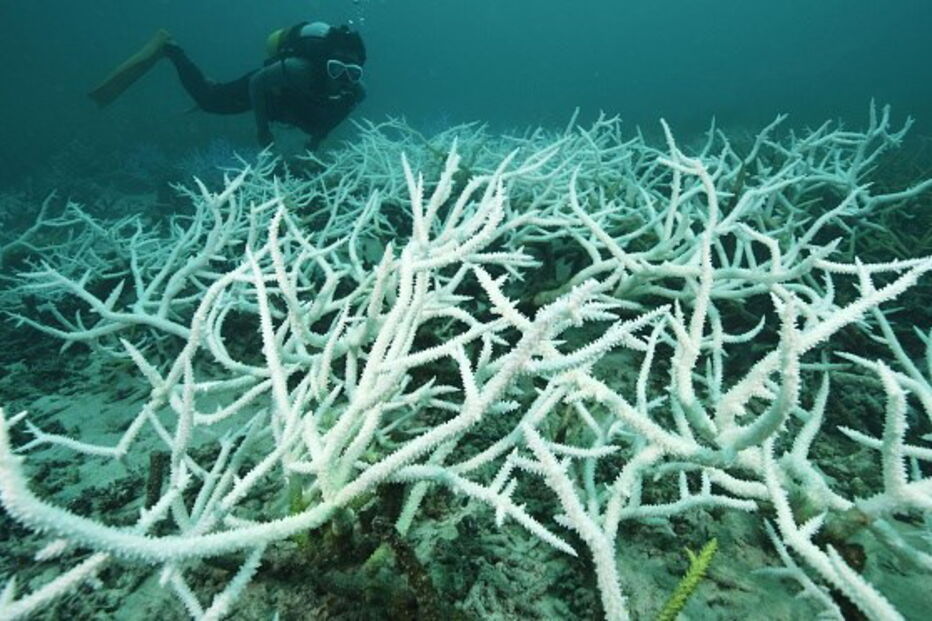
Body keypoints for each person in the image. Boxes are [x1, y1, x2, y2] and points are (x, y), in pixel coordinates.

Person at [89, 22, 367, 150]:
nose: (340, 78)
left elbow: (336, 115)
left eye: (350, 73)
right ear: (324, 64)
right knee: (211, 101)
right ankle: (170, 49)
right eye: (335, 69)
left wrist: (317, 139)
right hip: (269, 91)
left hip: (292, 104)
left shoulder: (354, 92)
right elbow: (258, 83)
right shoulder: (299, 70)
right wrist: (262, 130)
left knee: (315, 123)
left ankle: (217, 86)